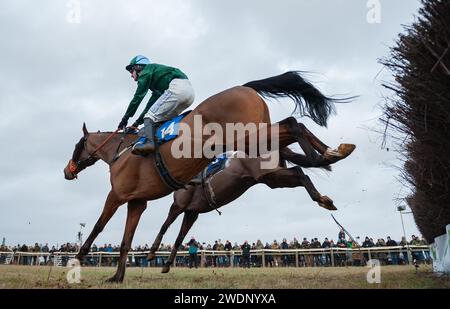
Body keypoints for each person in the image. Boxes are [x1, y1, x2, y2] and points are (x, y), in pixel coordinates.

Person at [118, 55, 195, 155]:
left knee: (150, 117)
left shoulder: (146, 71)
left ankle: (150, 143)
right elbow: (150, 107)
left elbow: (138, 97)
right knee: (159, 120)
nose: (131, 75)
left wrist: (125, 118)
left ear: (138, 67)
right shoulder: (156, 84)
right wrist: (136, 124)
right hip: (189, 94)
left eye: (131, 71)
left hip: (177, 89)